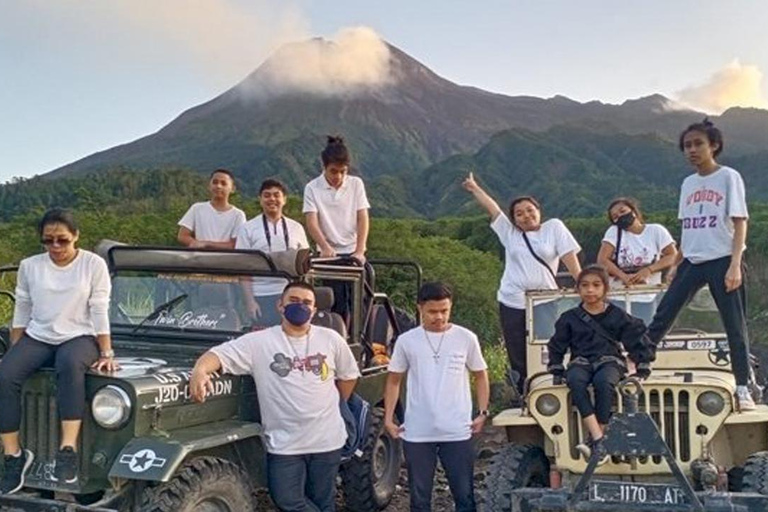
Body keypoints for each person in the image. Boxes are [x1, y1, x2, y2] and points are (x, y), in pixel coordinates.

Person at [189, 282, 359, 512]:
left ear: (314, 308)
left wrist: (331, 402)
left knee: (323, 501)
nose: (300, 306)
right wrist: (200, 370)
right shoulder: (259, 342)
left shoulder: (331, 339)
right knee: (287, 500)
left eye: (306, 303)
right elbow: (218, 355)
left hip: (326, 440)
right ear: (281, 306)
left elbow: (348, 377)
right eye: (294, 301)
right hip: (284, 443)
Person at [0, 209, 118, 494]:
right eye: (48, 240)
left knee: (69, 366)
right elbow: (23, 308)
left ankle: (68, 449)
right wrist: (16, 349)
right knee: (5, 374)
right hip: (40, 335)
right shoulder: (31, 266)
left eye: (62, 240)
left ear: (76, 236)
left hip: (80, 334)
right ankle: (13, 455)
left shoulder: (92, 264)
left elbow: (99, 308)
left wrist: (106, 352)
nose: (55, 247)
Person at [647, 119, 755, 411]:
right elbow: (689, 227)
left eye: (698, 144)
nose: (692, 150)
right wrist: (676, 262)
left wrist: (735, 264)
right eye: (687, 146)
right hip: (692, 260)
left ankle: (743, 387)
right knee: (663, 314)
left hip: (722, 259)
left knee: (734, 325)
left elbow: (740, 222)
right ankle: (639, 363)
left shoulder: (728, 177)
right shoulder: (688, 184)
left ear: (714, 146)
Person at [462, 171, 581, 398]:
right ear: (514, 219)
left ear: (539, 211)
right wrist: (475, 188)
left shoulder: (554, 227)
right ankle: (524, 393)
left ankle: (549, 389)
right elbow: (493, 209)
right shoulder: (510, 234)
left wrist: (582, 284)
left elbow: (569, 256)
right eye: (519, 214)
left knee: (548, 345)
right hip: (512, 300)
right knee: (517, 349)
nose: (526, 216)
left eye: (529, 210)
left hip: (544, 300)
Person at [384, 282, 489, 512]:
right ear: (420, 308)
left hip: (458, 430)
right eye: (432, 311)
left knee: (465, 496)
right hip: (418, 431)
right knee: (420, 500)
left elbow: (480, 375)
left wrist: (482, 412)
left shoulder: (466, 338)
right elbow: (393, 380)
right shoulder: (407, 341)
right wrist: (388, 418)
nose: (439, 317)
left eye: (444, 310)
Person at [547, 265, 653, 460]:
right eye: (585, 285)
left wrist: (643, 364)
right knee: (575, 382)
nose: (590, 290)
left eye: (596, 285)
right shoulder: (569, 318)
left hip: (609, 360)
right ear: (577, 289)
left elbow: (637, 335)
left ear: (605, 288)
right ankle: (598, 438)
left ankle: (598, 440)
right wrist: (557, 367)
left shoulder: (617, 315)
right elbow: (556, 345)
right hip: (581, 361)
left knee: (604, 383)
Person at [303, 136, 371, 317]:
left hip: (353, 251)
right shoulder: (312, 188)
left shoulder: (356, 184)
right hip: (329, 255)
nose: (338, 177)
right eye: (333, 171)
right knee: (335, 302)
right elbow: (312, 221)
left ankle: (363, 340)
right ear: (324, 167)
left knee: (361, 301)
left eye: (343, 171)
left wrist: (360, 249)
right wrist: (325, 247)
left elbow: (362, 217)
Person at [236, 178, 309, 326]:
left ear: (284, 199)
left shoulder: (296, 228)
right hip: (260, 294)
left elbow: (305, 265)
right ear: (260, 199)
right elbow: (242, 268)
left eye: (277, 195)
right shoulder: (247, 228)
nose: (272, 199)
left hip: (289, 294)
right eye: (267, 195)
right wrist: (250, 301)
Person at [596, 197, 677, 321]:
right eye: (615, 216)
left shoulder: (656, 230)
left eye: (622, 211)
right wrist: (623, 276)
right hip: (618, 294)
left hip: (647, 294)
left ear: (633, 211)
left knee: (645, 331)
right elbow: (602, 260)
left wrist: (649, 270)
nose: (620, 216)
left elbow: (672, 255)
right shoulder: (613, 232)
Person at [177, 168, 246, 249]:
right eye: (215, 182)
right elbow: (182, 236)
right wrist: (194, 243)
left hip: (226, 260)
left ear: (232, 189)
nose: (218, 186)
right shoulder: (197, 209)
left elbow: (235, 244)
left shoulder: (238, 215)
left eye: (223, 183)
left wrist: (206, 244)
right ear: (209, 186)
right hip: (200, 258)